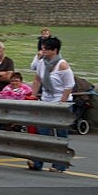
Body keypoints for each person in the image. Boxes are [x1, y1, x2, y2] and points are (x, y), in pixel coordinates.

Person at [29, 36, 75, 172]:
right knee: (42, 133)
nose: (43, 51)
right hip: (46, 100)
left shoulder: (62, 65)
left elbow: (69, 86)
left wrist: (62, 103)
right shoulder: (42, 63)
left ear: (54, 50)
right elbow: (37, 79)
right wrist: (33, 95)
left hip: (60, 101)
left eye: (46, 49)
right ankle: (37, 162)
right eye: (42, 48)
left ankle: (59, 165)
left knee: (60, 135)